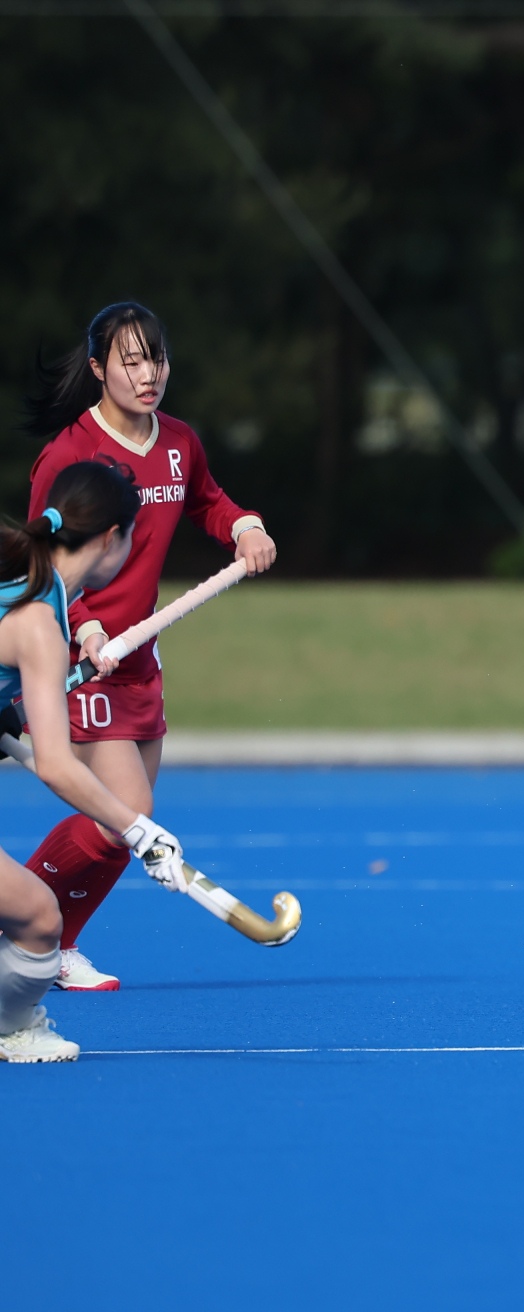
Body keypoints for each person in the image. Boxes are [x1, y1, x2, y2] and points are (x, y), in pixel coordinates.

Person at [21, 303, 275, 991]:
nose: (147, 374)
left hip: (140, 656)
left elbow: (207, 500)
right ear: (98, 368)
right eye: (130, 361)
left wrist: (244, 527)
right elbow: (40, 565)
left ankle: (55, 944)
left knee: (122, 821)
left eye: (155, 358)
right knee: (125, 815)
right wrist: (84, 628)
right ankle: (25, 931)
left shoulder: (179, 442)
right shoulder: (69, 454)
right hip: (82, 659)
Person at [0, 462, 190, 1062]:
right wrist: (139, 830)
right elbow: (57, 765)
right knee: (39, 920)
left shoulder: (29, 588)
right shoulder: (40, 622)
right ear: (112, 538)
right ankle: (11, 1029)